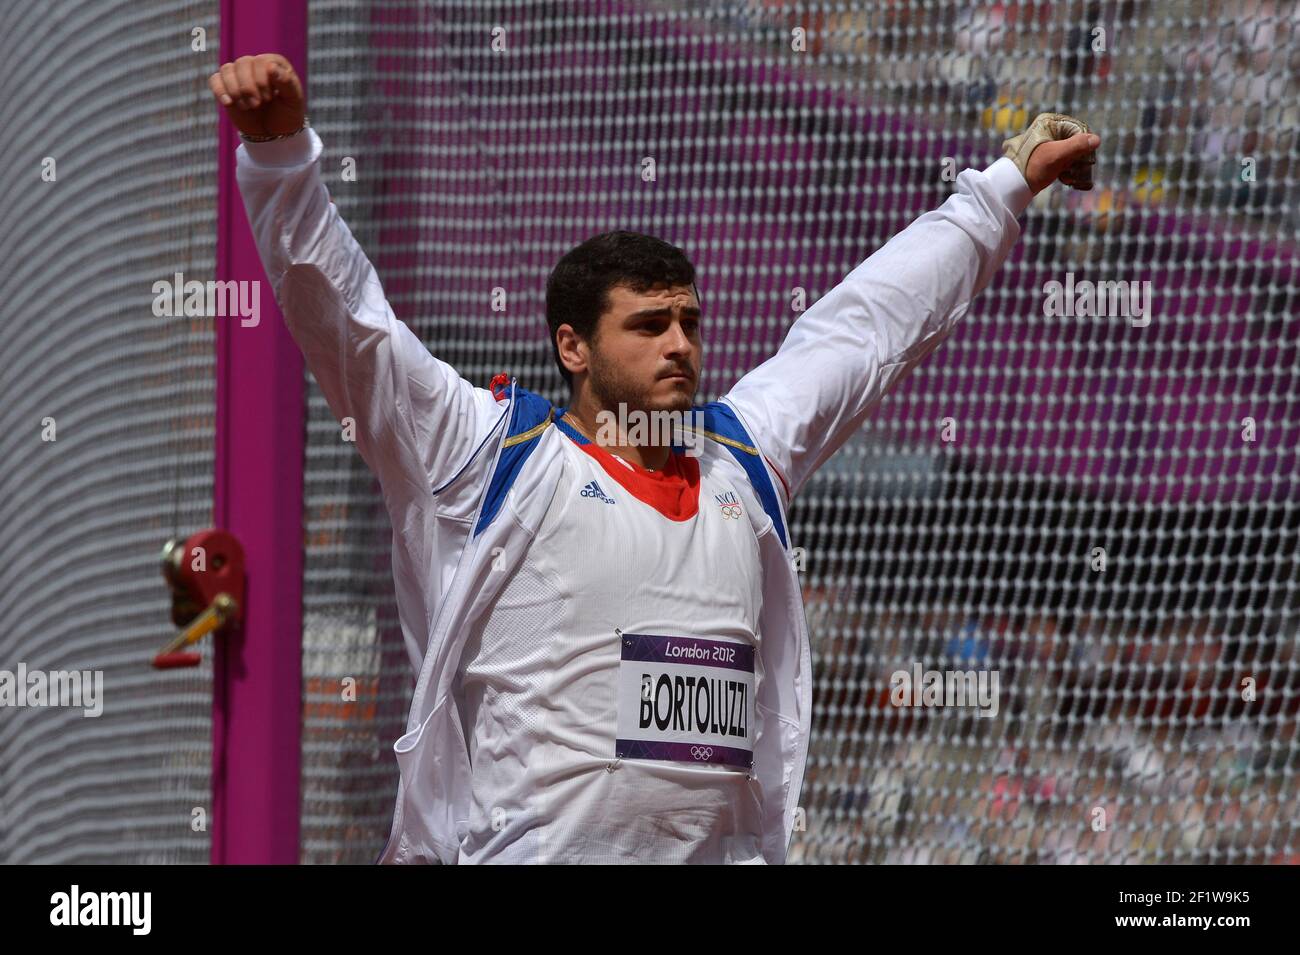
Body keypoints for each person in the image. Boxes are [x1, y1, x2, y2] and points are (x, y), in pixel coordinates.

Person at [210, 53, 1100, 864]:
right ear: (573, 347)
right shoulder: (493, 455)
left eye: (690, 322)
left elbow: (869, 327)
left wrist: (1002, 189)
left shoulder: (742, 459)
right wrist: (281, 157)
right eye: (648, 324)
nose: (681, 344)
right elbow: (353, 329)